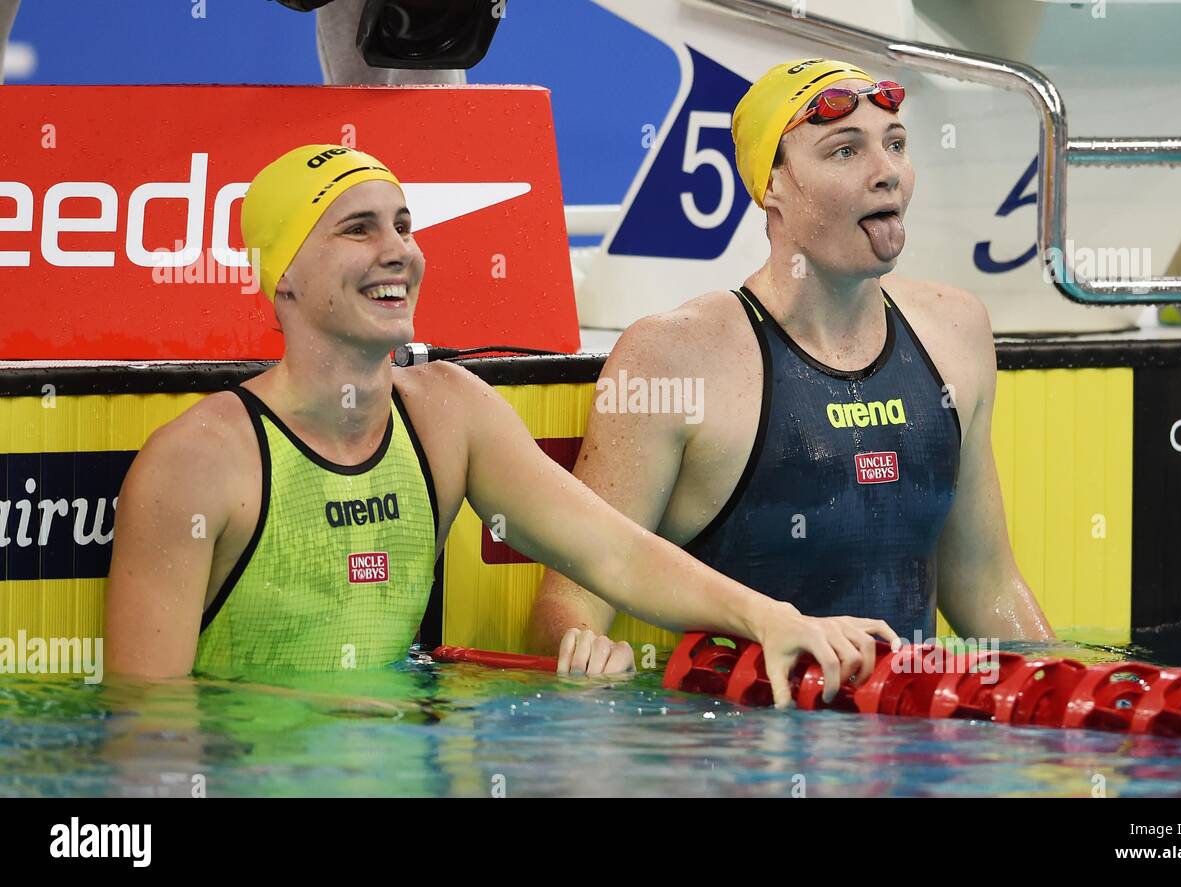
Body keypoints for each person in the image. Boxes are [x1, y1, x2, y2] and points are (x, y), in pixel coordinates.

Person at [104, 143, 898, 708]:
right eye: (358, 229)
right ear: (284, 279)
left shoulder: (448, 412)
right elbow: (147, 721)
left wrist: (774, 619)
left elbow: (614, 551)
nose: (398, 253)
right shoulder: (200, 464)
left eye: (404, 225)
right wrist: (323, 705)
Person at [528, 59, 1053, 675]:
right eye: (844, 151)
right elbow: (568, 603)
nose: (887, 173)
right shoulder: (676, 358)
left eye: (896, 145)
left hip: (912, 746)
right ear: (770, 184)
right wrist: (583, 653)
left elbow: (986, 586)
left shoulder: (955, 331)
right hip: (742, 751)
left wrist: (1070, 700)